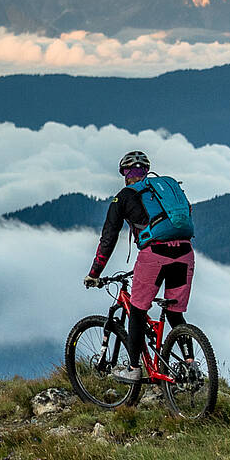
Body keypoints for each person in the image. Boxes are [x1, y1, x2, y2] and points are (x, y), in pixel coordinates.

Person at [84, 150, 195, 382]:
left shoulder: (124, 197)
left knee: (137, 310)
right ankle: (190, 365)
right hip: (185, 252)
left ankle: (134, 369)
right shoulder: (166, 191)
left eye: (126, 171)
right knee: (175, 313)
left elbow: (108, 238)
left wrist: (95, 273)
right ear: (146, 170)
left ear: (125, 174)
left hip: (154, 254)